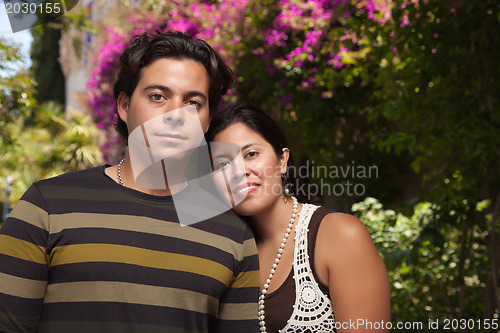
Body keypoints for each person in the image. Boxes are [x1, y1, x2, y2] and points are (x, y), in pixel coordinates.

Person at [0, 32, 260, 332]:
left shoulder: (234, 235)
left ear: (206, 120)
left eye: (192, 102)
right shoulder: (46, 207)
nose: (176, 114)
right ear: (123, 106)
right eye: (158, 97)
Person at [205, 102, 391, 333]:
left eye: (251, 154)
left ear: (282, 161)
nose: (239, 171)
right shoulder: (224, 250)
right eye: (223, 163)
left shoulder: (340, 235)